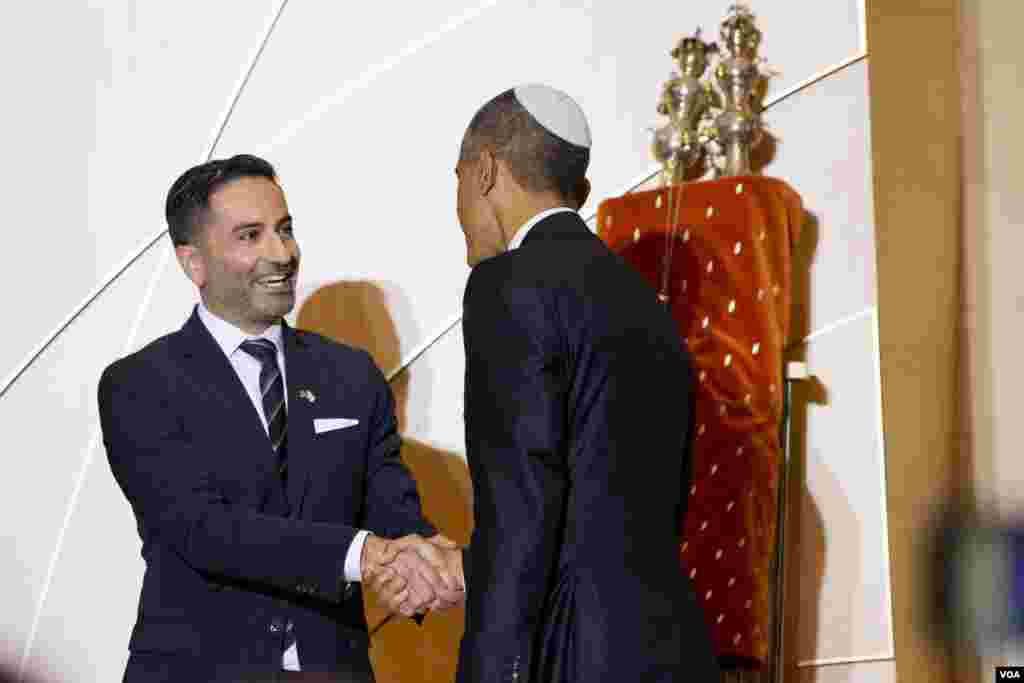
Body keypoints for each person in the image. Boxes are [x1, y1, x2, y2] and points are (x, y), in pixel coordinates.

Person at [98, 154, 461, 683]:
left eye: (286, 230)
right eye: (250, 235)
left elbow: (392, 513)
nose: (282, 253)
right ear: (192, 262)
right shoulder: (140, 385)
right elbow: (203, 528)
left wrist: (431, 567)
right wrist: (365, 555)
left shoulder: (352, 375)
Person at [444, 84, 720, 681]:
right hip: (670, 647)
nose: (458, 203)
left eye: (458, 178)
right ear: (583, 192)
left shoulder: (506, 286)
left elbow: (522, 506)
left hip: (569, 654)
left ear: (484, 169)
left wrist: (492, 671)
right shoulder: (645, 301)